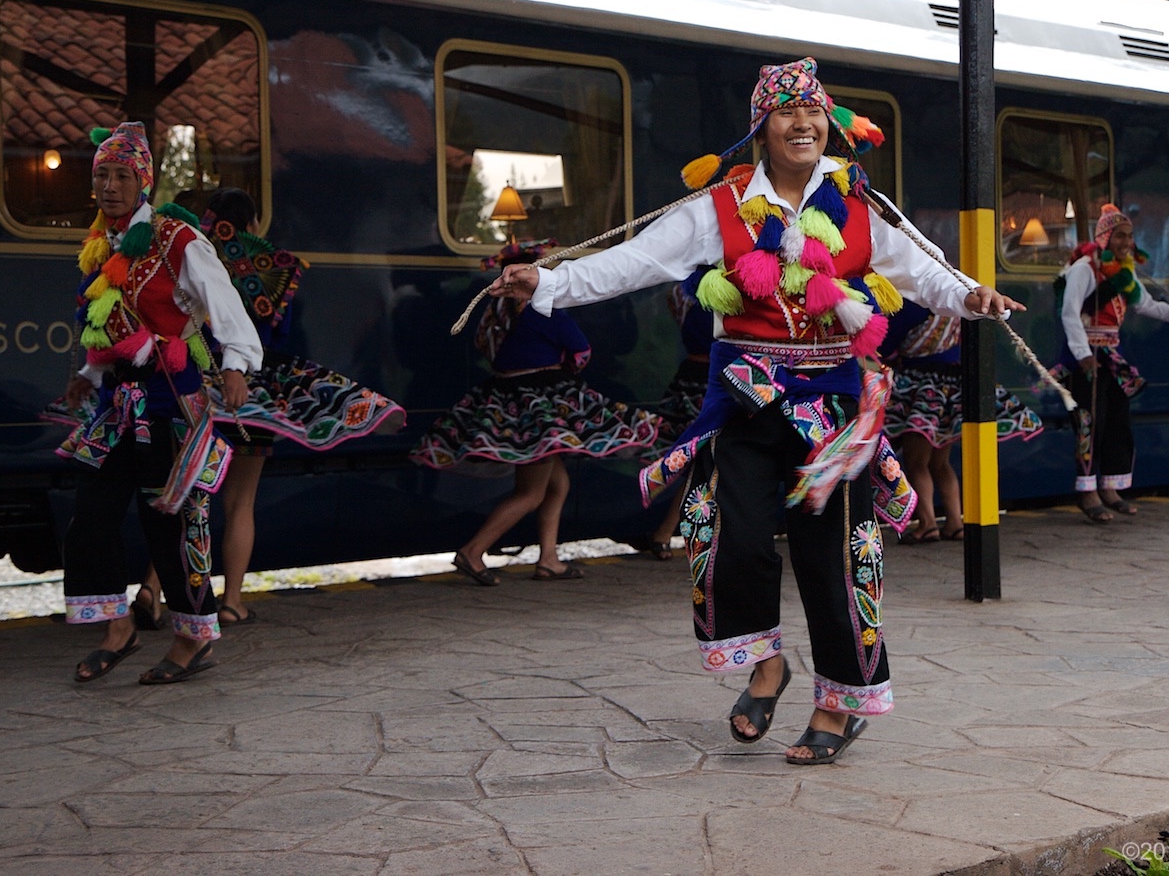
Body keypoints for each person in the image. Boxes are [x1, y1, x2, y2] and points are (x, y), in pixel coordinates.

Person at [487, 57, 1023, 764]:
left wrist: (970, 295)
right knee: (725, 537)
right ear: (762, 129)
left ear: (828, 124)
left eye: (812, 112)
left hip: (833, 406)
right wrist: (547, 283)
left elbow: (923, 273)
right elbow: (634, 262)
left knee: (835, 555)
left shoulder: (862, 206)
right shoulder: (720, 206)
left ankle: (839, 704)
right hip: (743, 398)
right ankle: (767, 666)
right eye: (784, 112)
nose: (801, 123)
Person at [59, 122, 262, 685]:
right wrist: (88, 371)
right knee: (89, 517)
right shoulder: (104, 245)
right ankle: (118, 627)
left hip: (171, 403)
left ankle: (191, 639)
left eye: (122, 175)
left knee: (169, 526)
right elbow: (110, 326)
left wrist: (236, 365)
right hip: (117, 403)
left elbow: (226, 305)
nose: (109, 186)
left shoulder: (177, 240)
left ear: (143, 181)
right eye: (102, 174)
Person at [197, 187, 405, 625]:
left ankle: (155, 590)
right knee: (240, 503)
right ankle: (231, 601)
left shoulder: (197, 256)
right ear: (252, 224)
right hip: (259, 397)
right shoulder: (277, 267)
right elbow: (282, 331)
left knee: (185, 498)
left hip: (200, 390)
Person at [411, 239, 662, 585]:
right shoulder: (545, 309)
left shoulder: (493, 312)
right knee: (530, 492)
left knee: (557, 485)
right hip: (542, 410)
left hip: (505, 397)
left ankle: (548, 559)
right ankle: (472, 551)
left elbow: (483, 347)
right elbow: (581, 350)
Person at [1054, 204, 1169, 523]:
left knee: (1117, 423)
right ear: (1105, 237)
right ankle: (1087, 491)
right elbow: (1069, 313)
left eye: (1130, 236)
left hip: (1112, 356)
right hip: (1088, 358)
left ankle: (1111, 487)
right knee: (1089, 423)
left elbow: (1145, 305)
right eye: (1120, 235)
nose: (1127, 242)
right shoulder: (1085, 268)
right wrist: (1082, 355)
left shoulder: (1125, 272)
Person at [881, 299, 1042, 544]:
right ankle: (955, 523)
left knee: (917, 461)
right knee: (940, 463)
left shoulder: (914, 305)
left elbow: (886, 343)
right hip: (952, 383)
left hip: (922, 386)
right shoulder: (952, 302)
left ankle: (927, 523)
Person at [619, 275, 714, 561]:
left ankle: (663, 530)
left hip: (687, 378)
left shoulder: (679, 293)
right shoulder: (730, 289)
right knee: (702, 462)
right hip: (714, 382)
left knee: (689, 459)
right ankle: (668, 532)